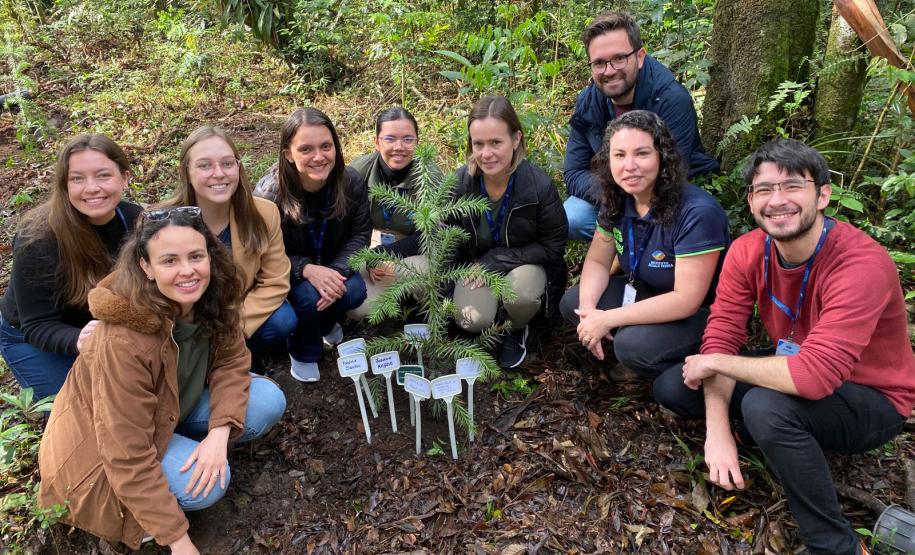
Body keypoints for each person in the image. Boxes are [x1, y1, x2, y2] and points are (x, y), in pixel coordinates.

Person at [657, 139, 915, 555]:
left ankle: (835, 545)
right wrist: (717, 431)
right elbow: (722, 332)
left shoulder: (860, 264)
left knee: (764, 405)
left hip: (872, 398)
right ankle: (780, 437)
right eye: (764, 190)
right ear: (751, 200)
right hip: (793, 368)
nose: (778, 201)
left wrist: (717, 362)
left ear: (823, 194)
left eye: (793, 186)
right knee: (673, 386)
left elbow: (813, 377)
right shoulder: (747, 251)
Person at [37, 207, 287, 553]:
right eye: (169, 261)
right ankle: (154, 504)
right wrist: (178, 540)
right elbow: (126, 453)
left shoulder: (212, 293)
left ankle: (185, 446)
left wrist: (219, 432)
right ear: (146, 267)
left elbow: (232, 360)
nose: (187, 271)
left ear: (210, 257)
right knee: (209, 486)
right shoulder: (123, 339)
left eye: (196, 256)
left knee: (267, 402)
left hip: (167, 410)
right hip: (102, 453)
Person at [559, 110, 729, 385]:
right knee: (574, 303)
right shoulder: (617, 198)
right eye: (619, 155)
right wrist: (590, 311)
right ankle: (635, 343)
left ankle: (673, 363)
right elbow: (598, 262)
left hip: (700, 312)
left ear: (662, 157)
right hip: (645, 288)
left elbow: (686, 299)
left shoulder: (697, 213)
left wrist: (608, 319)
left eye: (641, 153)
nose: (629, 165)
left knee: (631, 346)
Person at [0, 134, 143, 400]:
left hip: (99, 327)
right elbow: (37, 324)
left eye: (103, 175)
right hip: (33, 337)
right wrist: (79, 340)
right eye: (78, 179)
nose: (91, 188)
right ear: (64, 185)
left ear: (124, 178)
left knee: (131, 399)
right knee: (81, 410)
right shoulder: (38, 238)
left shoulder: (136, 220)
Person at [564, 11, 719, 241]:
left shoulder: (671, 99)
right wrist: (614, 192)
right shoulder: (588, 102)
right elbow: (573, 172)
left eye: (619, 58)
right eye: (599, 63)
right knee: (572, 216)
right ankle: (626, 246)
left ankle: (648, 248)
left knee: (689, 216)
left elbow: (672, 175)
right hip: (612, 193)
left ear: (639, 57)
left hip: (666, 197)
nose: (609, 70)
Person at [449, 95, 567, 368]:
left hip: (524, 266)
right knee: (471, 320)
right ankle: (488, 323)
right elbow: (448, 239)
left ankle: (517, 327)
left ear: (516, 140)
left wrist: (496, 260)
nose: (486, 153)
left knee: (521, 294)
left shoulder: (538, 186)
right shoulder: (461, 183)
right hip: (476, 268)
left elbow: (553, 246)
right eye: (478, 144)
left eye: (496, 142)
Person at [164, 126, 295, 370]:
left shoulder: (263, 213)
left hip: (236, 314)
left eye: (227, 163)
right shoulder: (161, 222)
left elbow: (276, 280)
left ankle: (246, 362)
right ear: (186, 172)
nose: (218, 174)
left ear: (238, 167)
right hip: (185, 322)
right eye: (204, 166)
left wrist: (234, 325)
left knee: (283, 320)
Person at [254, 108, 370, 382]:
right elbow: (262, 254)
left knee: (353, 290)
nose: (319, 157)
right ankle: (303, 350)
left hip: (332, 265)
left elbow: (360, 234)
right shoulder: (269, 194)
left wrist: (337, 271)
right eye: (306, 149)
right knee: (308, 296)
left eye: (326, 146)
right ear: (288, 155)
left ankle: (326, 323)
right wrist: (305, 269)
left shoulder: (350, 181)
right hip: (287, 275)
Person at [347, 107, 440, 320]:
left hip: (414, 252)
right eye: (390, 139)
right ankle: (389, 300)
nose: (399, 147)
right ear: (377, 142)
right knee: (357, 309)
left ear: (417, 141)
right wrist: (369, 257)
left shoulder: (430, 177)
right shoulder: (360, 170)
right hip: (369, 245)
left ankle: (417, 309)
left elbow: (431, 236)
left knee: (423, 275)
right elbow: (349, 224)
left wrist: (382, 255)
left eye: (408, 139)